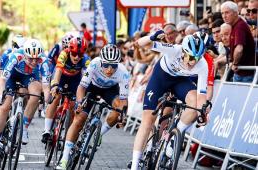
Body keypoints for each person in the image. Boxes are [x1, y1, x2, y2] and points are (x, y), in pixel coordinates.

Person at [130, 31, 210, 170]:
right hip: (160, 79)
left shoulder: (202, 64)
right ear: (183, 51)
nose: (193, 62)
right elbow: (140, 44)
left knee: (195, 103)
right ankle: (135, 165)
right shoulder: (174, 49)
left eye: (197, 58)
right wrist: (151, 37)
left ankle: (174, 137)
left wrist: (202, 113)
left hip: (180, 81)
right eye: (191, 57)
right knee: (147, 121)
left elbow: (201, 95)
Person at [56, 44, 130, 170]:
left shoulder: (123, 73)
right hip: (92, 88)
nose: (110, 69)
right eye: (106, 65)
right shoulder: (95, 64)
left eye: (114, 66)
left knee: (118, 111)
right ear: (102, 62)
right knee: (79, 119)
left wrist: (123, 116)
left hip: (110, 90)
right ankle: (64, 159)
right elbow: (81, 87)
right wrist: (80, 103)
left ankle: (99, 134)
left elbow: (123, 101)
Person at [0, 39, 51, 145]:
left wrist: (47, 99)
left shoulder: (44, 61)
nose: (34, 62)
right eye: (31, 59)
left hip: (30, 77)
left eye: (37, 59)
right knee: (5, 106)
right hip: (12, 76)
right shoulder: (16, 56)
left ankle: (24, 128)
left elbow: (45, 86)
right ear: (25, 55)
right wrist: (1, 95)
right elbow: (2, 80)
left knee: (36, 94)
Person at [41, 36, 90, 143]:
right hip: (61, 77)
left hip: (75, 80)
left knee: (73, 105)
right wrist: (54, 85)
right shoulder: (64, 54)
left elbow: (88, 77)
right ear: (69, 50)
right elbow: (58, 70)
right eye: (74, 54)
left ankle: (68, 134)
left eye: (80, 55)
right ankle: (47, 130)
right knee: (56, 97)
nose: (77, 57)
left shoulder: (86, 60)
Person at [221, 1, 255, 82]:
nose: (224, 16)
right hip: (241, 73)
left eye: (227, 13)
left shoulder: (239, 27)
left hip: (246, 75)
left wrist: (235, 63)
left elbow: (239, 49)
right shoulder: (235, 25)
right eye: (222, 13)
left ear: (236, 13)